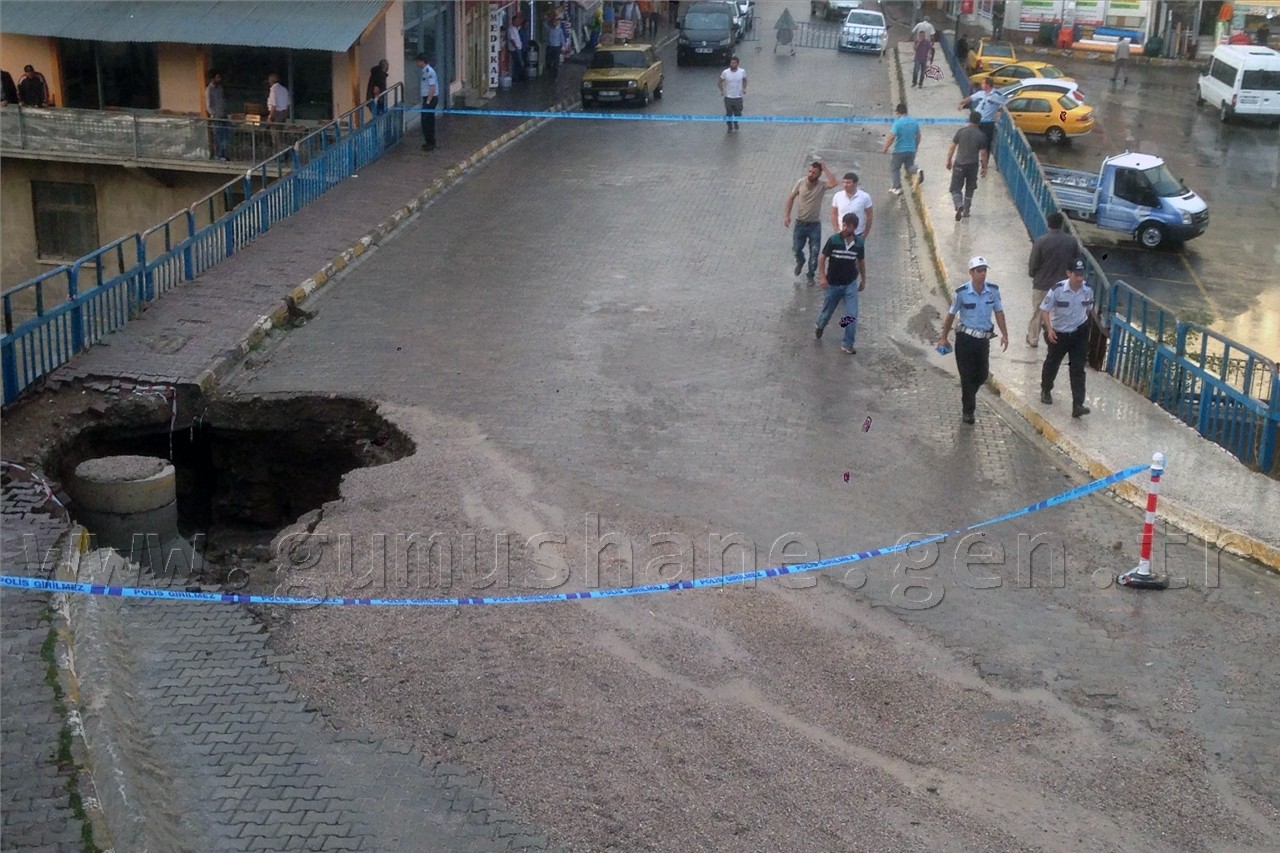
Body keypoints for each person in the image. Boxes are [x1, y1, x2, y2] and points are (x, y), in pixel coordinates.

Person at [937, 256, 1009, 424]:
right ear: (971, 273)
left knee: (982, 374)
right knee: (967, 376)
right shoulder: (962, 293)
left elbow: (999, 313)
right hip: (965, 340)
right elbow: (951, 315)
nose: (982, 274)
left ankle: (968, 394)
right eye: (979, 271)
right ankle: (968, 411)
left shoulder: (993, 291)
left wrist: (1005, 334)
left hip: (983, 340)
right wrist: (943, 337)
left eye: (984, 271)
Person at [1039, 258, 1094, 418]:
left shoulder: (1088, 290)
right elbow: (1045, 310)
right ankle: (1046, 389)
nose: (1079, 278)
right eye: (1076, 275)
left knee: (1078, 369)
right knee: (1052, 363)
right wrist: (1049, 329)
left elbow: (1088, 309)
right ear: (1068, 273)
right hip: (1059, 333)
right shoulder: (1057, 290)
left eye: (1082, 274)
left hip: (1079, 332)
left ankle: (1078, 404)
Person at [814, 212, 867, 355]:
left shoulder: (859, 244)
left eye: (848, 226)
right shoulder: (834, 240)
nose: (844, 228)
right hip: (833, 285)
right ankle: (820, 325)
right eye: (843, 225)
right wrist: (822, 277)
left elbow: (861, 262)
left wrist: (863, 279)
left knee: (851, 315)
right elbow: (822, 257)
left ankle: (847, 343)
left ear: (854, 228)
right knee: (827, 312)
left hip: (850, 285)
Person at [1025, 212, 1080, 346]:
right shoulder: (1072, 241)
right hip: (1062, 286)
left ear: (1048, 224)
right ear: (1061, 225)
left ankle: (1033, 338)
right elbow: (1077, 263)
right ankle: (1058, 338)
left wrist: (1034, 275)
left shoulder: (1040, 241)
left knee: (1038, 311)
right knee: (1059, 313)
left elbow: (1033, 265)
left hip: (1042, 284)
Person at [784, 160, 837, 283]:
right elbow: (790, 198)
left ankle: (811, 275)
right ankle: (800, 261)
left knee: (814, 251)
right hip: (800, 223)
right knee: (796, 248)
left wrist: (825, 168)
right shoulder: (800, 183)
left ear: (819, 174)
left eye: (814, 172)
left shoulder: (821, 186)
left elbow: (834, 183)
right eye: (809, 171)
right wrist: (787, 216)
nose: (810, 174)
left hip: (814, 225)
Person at [945, 111, 988, 221]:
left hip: (959, 164)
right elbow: (983, 153)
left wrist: (949, 161)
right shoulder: (981, 135)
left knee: (955, 188)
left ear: (969, 120)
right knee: (970, 188)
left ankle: (959, 204)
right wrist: (985, 167)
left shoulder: (961, 132)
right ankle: (966, 212)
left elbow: (952, 147)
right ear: (979, 122)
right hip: (973, 166)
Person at [958, 76, 1006, 156]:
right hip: (976, 120)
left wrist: (999, 112)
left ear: (988, 85)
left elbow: (1005, 103)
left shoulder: (996, 95)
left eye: (983, 83)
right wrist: (961, 103)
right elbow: (970, 98)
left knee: (986, 143)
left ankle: (984, 163)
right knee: (972, 138)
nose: (981, 85)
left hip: (987, 122)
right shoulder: (981, 93)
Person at [883, 102, 923, 196]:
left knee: (895, 168)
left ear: (898, 112)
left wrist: (885, 148)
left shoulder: (898, 123)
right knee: (909, 167)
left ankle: (897, 187)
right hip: (911, 150)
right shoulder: (914, 122)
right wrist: (915, 146)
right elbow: (918, 136)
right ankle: (917, 170)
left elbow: (892, 137)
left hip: (899, 150)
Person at [830, 173, 873, 242]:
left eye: (848, 183)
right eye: (844, 182)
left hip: (858, 234)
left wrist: (865, 234)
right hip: (841, 233)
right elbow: (834, 214)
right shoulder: (837, 196)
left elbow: (869, 216)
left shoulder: (865, 197)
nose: (845, 185)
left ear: (855, 184)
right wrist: (836, 230)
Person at [205, 70, 231, 160]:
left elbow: (222, 100)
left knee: (226, 136)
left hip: (224, 115)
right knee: (218, 137)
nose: (219, 79)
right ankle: (219, 155)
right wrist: (215, 114)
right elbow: (208, 106)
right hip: (217, 117)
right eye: (217, 77)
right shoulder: (209, 90)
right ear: (213, 78)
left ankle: (224, 154)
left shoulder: (220, 88)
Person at [416, 53, 439, 150]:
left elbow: (432, 88)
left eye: (418, 61)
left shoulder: (429, 72)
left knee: (426, 121)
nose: (417, 63)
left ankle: (430, 142)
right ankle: (429, 141)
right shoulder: (425, 71)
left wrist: (428, 101)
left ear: (422, 61)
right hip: (428, 98)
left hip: (430, 99)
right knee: (429, 120)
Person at [718, 55, 746, 132]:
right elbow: (719, 82)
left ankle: (736, 121)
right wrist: (722, 90)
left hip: (738, 96)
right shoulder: (725, 72)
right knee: (729, 113)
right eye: (731, 63)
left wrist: (744, 88)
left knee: (738, 112)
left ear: (737, 64)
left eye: (734, 63)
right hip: (728, 97)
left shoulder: (742, 72)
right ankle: (729, 127)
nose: (732, 64)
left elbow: (745, 80)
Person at [266, 73, 290, 148]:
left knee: (275, 135)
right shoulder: (284, 89)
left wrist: (270, 117)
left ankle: (279, 154)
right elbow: (288, 104)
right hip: (284, 113)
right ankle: (283, 150)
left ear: (271, 80)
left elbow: (274, 105)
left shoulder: (273, 90)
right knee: (280, 134)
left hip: (276, 114)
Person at [545, 12, 566, 80]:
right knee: (549, 61)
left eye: (555, 22)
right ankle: (550, 73)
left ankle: (555, 75)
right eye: (553, 22)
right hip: (550, 47)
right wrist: (549, 18)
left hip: (557, 47)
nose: (555, 23)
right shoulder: (549, 29)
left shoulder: (559, 30)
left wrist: (563, 46)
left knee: (556, 61)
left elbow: (562, 38)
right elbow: (544, 24)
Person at [507, 16, 525, 82]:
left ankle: (516, 77)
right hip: (514, 49)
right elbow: (512, 39)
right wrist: (516, 47)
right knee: (520, 63)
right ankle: (517, 77)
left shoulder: (516, 28)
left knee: (517, 64)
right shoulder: (511, 29)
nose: (518, 22)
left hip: (519, 47)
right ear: (513, 21)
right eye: (517, 21)